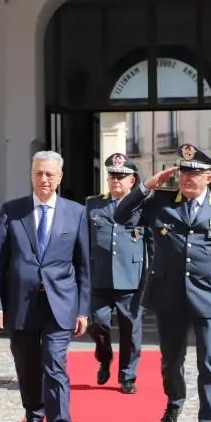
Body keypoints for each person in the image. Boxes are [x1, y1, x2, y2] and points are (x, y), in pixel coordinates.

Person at [113, 143, 211, 422]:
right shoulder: (160, 203)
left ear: (209, 177)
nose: (187, 178)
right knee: (171, 361)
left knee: (209, 364)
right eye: (183, 171)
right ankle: (173, 404)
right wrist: (147, 185)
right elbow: (121, 216)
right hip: (169, 296)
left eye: (195, 173)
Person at [0, 150, 90, 422]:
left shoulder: (76, 213)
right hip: (21, 304)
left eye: (49, 174)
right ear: (31, 175)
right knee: (27, 365)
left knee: (55, 367)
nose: (43, 179)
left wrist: (83, 308)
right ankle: (34, 414)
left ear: (60, 178)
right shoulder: (12, 210)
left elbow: (84, 265)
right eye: (38, 173)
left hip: (60, 303)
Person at [85, 153, 152, 394]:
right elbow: (83, 243)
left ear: (132, 181)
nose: (116, 181)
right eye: (112, 176)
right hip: (100, 278)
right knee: (98, 324)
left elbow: (151, 245)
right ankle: (104, 357)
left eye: (121, 177)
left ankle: (127, 376)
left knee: (130, 330)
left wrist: (150, 279)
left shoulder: (143, 208)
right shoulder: (93, 205)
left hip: (132, 279)